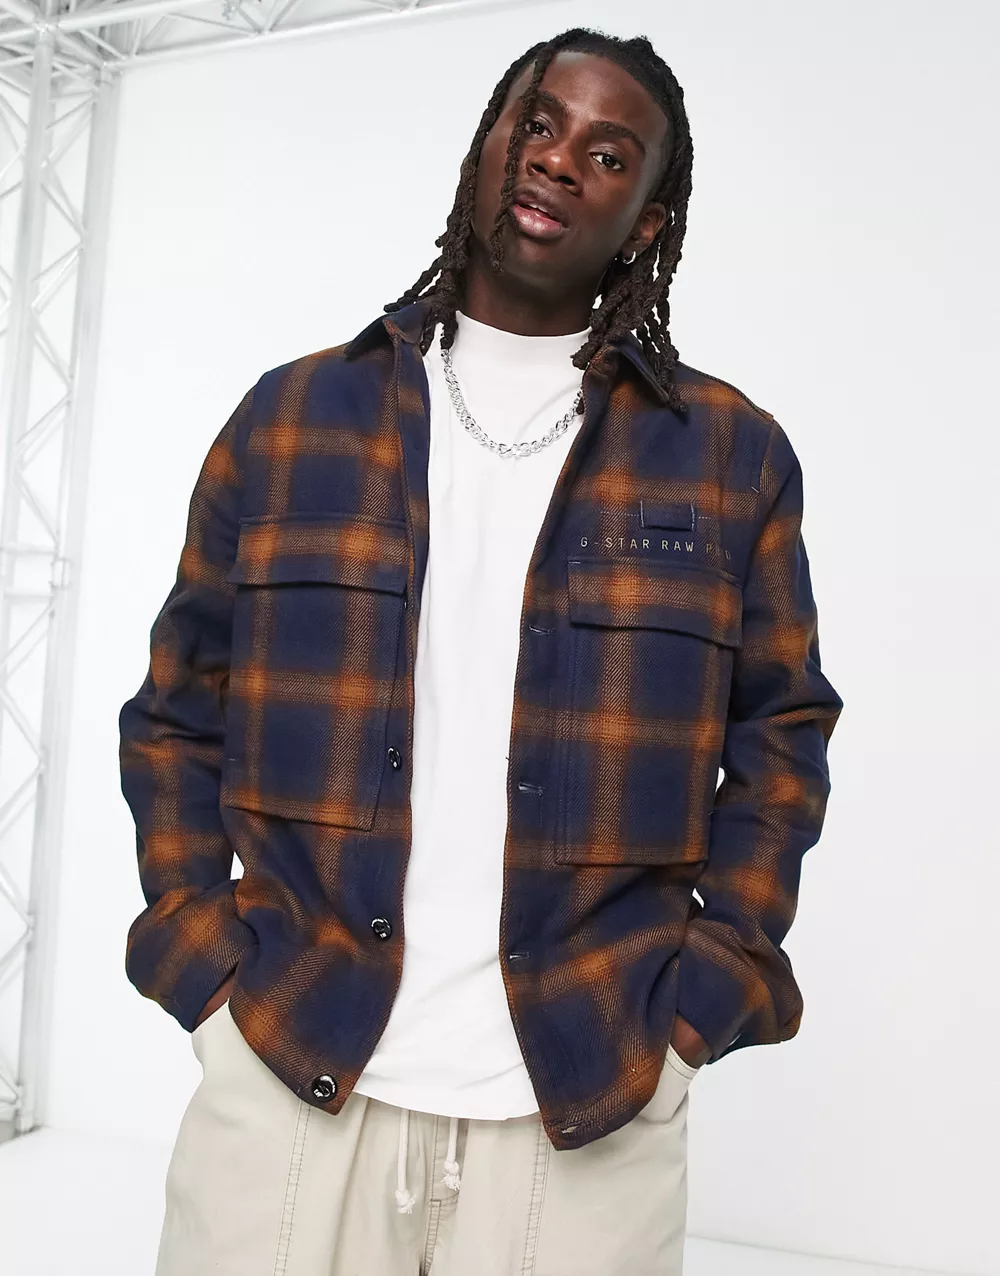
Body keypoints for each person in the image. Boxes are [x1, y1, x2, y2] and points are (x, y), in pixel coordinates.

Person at [119, 26, 842, 1276]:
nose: (559, 159)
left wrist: (703, 996)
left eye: (607, 153)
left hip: (588, 1084)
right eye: (539, 123)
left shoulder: (728, 454)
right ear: (487, 145)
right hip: (291, 1063)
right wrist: (202, 959)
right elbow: (179, 709)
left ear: (647, 222)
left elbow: (781, 741)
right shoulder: (291, 418)